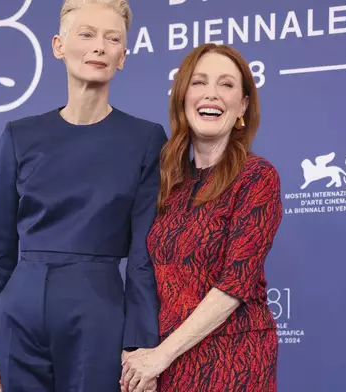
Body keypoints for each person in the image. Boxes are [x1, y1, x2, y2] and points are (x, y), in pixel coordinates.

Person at [0, 1, 166, 391]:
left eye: (112, 39)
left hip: (99, 311)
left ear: (123, 57)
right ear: (58, 46)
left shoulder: (146, 140)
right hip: (18, 313)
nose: (99, 46)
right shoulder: (18, 136)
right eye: (87, 34)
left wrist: (140, 341)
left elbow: (145, 258)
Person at [119, 43, 283, 392]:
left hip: (232, 360)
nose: (212, 94)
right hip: (164, 363)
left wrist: (160, 356)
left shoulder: (257, 177)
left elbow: (235, 284)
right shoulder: (165, 182)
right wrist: (140, 352)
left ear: (242, 105)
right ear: (182, 97)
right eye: (199, 82)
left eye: (226, 85)